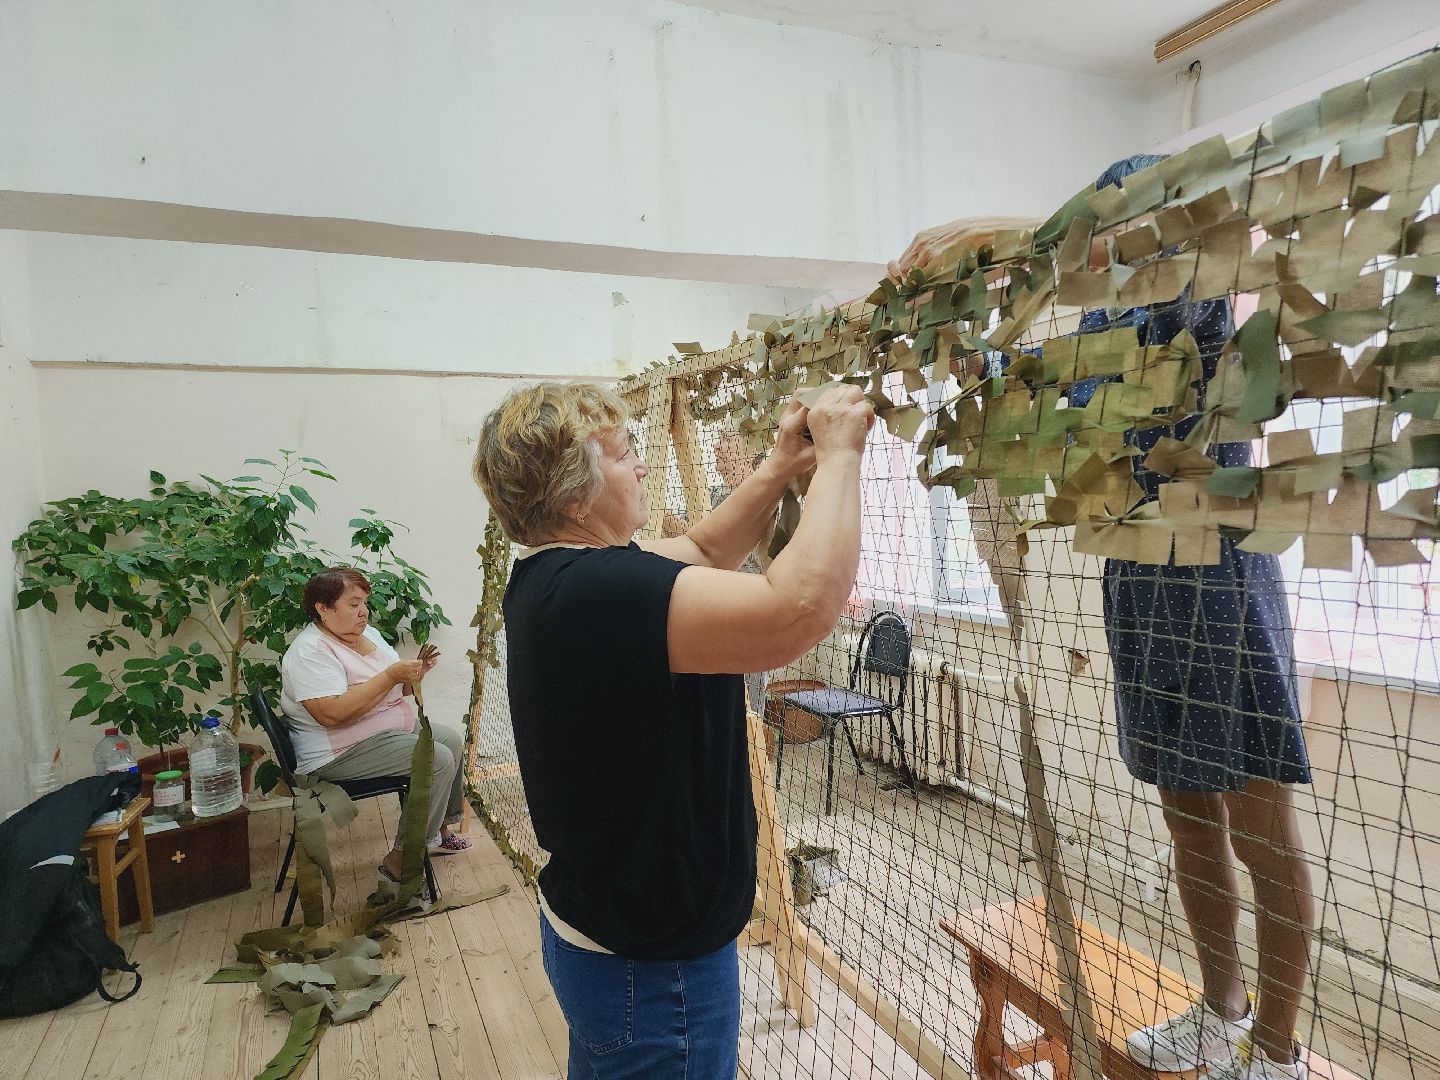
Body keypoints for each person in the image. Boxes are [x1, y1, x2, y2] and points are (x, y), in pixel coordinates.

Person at [892, 157, 1315, 1080]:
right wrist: (968, 356)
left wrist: (994, 229)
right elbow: (1036, 396)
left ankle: (1276, 1054)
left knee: (1260, 828)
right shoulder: (1099, 319)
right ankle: (1220, 1009)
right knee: (1188, 821)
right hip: (1139, 594)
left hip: (1220, 585)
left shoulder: (1197, 289)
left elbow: (1203, 234)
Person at [472, 380, 872, 1078]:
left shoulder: (562, 578)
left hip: (612, 934)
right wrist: (840, 456)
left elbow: (702, 549)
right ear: (575, 497)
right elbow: (799, 610)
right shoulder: (599, 596)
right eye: (628, 457)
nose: (643, 466)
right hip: (653, 970)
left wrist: (780, 466)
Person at [280, 567, 470, 884]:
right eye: (353, 604)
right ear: (323, 608)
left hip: (379, 731)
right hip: (339, 750)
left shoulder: (366, 635)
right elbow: (332, 714)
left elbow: (394, 690)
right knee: (436, 759)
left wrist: (413, 677)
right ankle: (402, 856)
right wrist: (392, 675)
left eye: (365, 603)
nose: (363, 612)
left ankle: (439, 827)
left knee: (450, 739)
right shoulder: (310, 652)